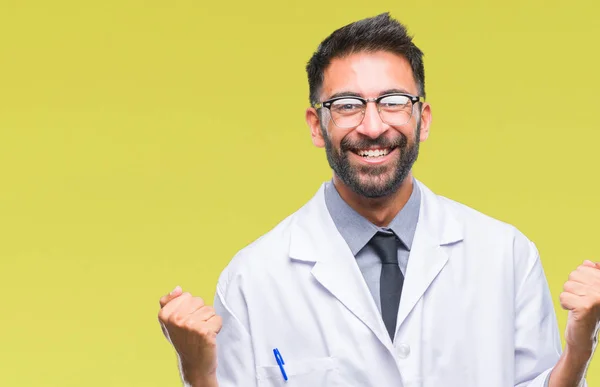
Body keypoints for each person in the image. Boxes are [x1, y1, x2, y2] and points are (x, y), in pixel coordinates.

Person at [158, 13, 600, 386]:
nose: (372, 126)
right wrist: (198, 372)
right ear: (316, 126)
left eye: (392, 101)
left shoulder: (506, 256)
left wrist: (579, 349)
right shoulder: (253, 279)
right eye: (348, 105)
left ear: (421, 119)